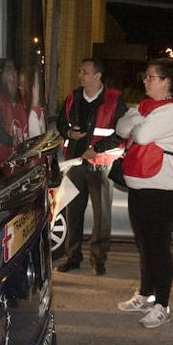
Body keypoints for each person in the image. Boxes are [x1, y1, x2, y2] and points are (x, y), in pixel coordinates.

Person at [115, 57, 173, 328]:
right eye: (146, 76)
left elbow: (137, 135)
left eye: (152, 77)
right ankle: (145, 294)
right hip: (140, 185)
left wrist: (136, 122)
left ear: (167, 82)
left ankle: (162, 303)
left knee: (158, 246)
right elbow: (120, 127)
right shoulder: (148, 107)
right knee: (144, 245)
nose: (146, 81)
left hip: (163, 188)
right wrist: (137, 121)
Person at [55, 58, 127, 274]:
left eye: (85, 72)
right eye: (80, 71)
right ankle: (72, 257)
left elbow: (121, 132)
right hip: (75, 163)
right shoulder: (73, 97)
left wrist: (97, 149)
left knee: (101, 216)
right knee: (72, 213)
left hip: (101, 164)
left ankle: (98, 259)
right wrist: (68, 132)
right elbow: (61, 122)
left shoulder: (114, 99)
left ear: (98, 76)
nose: (80, 75)